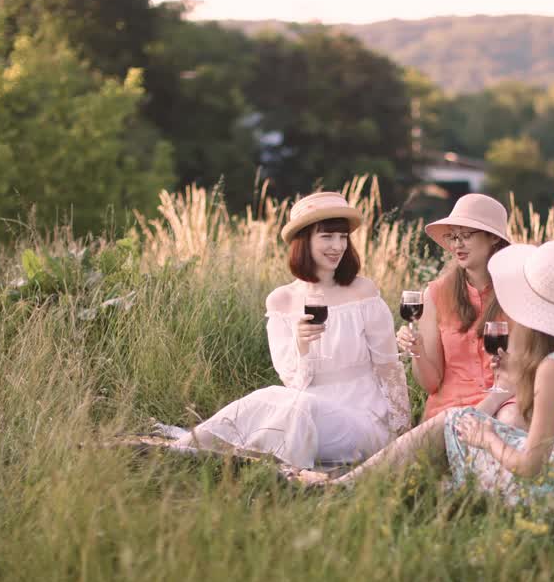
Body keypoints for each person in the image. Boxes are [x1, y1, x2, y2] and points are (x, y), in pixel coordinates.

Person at [302, 240, 554, 507]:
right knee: (465, 426)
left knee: (455, 421)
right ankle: (362, 484)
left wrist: (486, 438)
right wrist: (514, 380)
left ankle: (343, 487)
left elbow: (531, 465)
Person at [124, 191, 410, 473]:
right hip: (304, 414)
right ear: (304, 241)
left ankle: (249, 466)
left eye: (343, 237)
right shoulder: (281, 300)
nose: (337, 246)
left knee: (293, 406)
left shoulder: (362, 292)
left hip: (363, 421)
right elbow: (293, 381)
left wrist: (401, 433)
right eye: (327, 236)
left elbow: (388, 367)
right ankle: (181, 452)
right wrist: (301, 346)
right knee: (278, 400)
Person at [398, 193, 514, 422]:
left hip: (502, 404)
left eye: (466, 235)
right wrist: (417, 350)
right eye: (452, 236)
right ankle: (378, 461)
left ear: (493, 238)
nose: (457, 244)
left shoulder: (516, 294)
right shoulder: (435, 294)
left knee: (511, 417)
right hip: (450, 408)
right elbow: (431, 383)